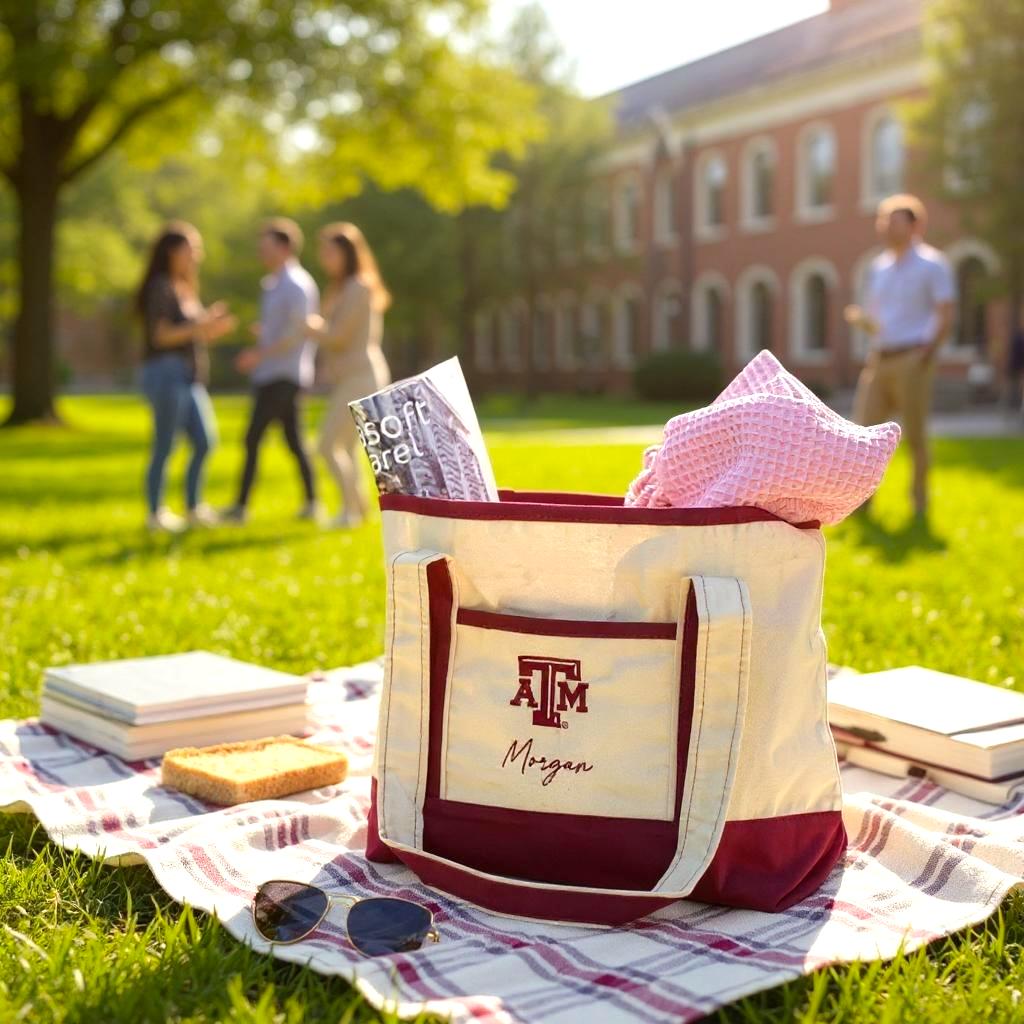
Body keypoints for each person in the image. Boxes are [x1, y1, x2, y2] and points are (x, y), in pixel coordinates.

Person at [844, 194, 956, 520]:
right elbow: (880, 321)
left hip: (913, 359)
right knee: (864, 435)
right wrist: (862, 322)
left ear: (914, 225)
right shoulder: (878, 268)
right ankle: (862, 505)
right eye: (882, 221)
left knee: (916, 436)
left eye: (892, 221)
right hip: (879, 359)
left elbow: (945, 312)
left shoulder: (933, 265)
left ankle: (919, 503)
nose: (884, 227)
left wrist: (926, 352)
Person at [136, 221, 237, 532]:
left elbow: (189, 334)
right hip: (166, 373)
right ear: (172, 251)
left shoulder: (184, 287)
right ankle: (156, 514)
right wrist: (201, 324)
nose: (197, 253)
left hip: (188, 376)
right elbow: (162, 337)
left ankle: (193, 508)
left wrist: (209, 328)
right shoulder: (160, 287)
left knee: (205, 442)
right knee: (165, 444)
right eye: (191, 246)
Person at [223, 218, 320, 523]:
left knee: (253, 438)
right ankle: (312, 502)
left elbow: (296, 334)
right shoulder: (273, 284)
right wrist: (263, 334)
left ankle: (240, 507)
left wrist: (258, 353)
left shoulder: (296, 284)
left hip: (285, 374)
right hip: (270, 372)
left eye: (266, 247)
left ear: (284, 247)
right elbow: (281, 329)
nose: (260, 253)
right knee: (293, 440)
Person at [308, 222, 392, 528]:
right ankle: (358, 509)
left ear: (348, 253)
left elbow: (339, 336)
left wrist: (312, 327)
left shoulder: (359, 286)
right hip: (352, 376)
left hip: (362, 376)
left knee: (327, 445)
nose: (324, 257)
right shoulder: (344, 287)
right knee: (345, 446)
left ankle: (349, 511)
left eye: (330, 251)